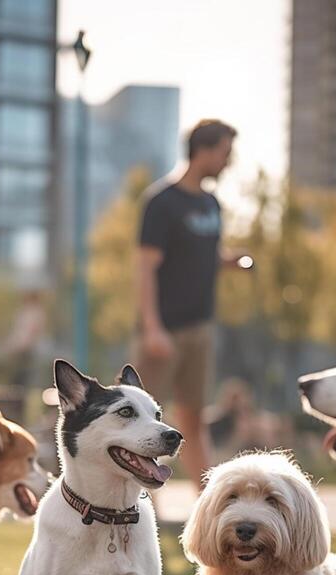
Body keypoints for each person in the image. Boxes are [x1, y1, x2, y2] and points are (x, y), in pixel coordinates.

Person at [135, 119, 251, 489]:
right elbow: (145, 268)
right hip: (163, 331)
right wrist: (152, 328)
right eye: (224, 153)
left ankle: (209, 506)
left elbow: (204, 255)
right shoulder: (161, 202)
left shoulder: (211, 203)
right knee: (142, 423)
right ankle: (139, 508)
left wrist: (229, 262)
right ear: (202, 150)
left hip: (200, 328)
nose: (227, 162)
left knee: (194, 422)